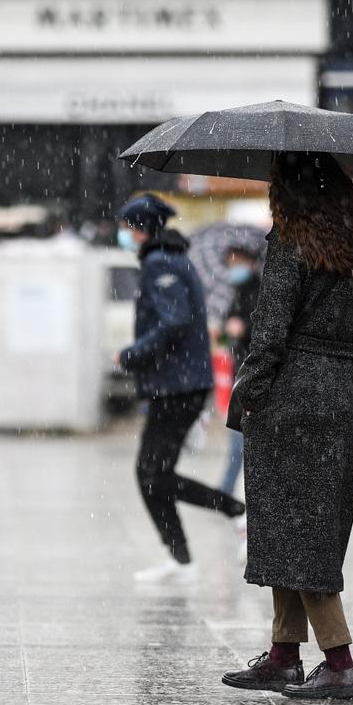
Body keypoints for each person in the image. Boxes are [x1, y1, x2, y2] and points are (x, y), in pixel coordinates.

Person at [220, 152, 353, 701]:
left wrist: (246, 392)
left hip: (292, 392)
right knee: (307, 525)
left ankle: (339, 661)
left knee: (294, 531)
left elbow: (269, 333)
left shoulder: (292, 242)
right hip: (345, 387)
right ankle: (283, 654)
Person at [115, 193, 246, 584]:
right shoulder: (172, 258)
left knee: (150, 473)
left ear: (140, 229)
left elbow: (174, 323)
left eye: (126, 227)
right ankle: (183, 556)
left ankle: (235, 514)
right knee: (154, 473)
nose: (123, 234)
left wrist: (131, 354)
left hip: (177, 385)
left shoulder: (159, 263)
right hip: (179, 383)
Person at [218, 244, 262, 495]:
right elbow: (229, 322)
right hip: (240, 369)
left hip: (252, 372)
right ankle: (226, 490)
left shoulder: (260, 289)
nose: (233, 268)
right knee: (238, 435)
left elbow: (263, 329)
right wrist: (226, 329)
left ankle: (226, 491)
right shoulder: (238, 292)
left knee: (241, 438)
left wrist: (244, 327)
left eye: (237, 262)